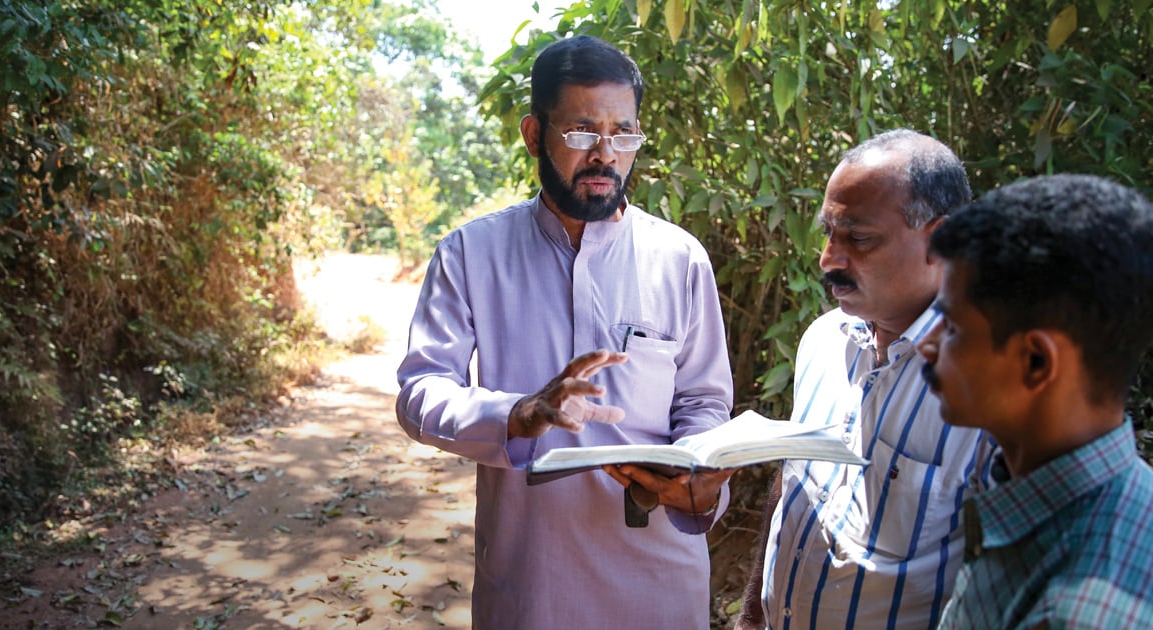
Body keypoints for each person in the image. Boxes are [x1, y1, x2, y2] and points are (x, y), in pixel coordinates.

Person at [395, 35, 734, 629]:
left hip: (660, 580)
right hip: (532, 584)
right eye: (582, 133)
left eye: (623, 134)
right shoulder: (472, 254)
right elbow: (421, 392)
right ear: (533, 135)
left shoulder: (679, 259)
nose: (606, 154)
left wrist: (701, 477)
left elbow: (704, 399)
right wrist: (515, 414)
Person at [736, 129, 998, 629]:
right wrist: (752, 614)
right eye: (829, 233)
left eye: (858, 238)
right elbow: (796, 482)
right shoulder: (822, 341)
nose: (828, 259)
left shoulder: (994, 389)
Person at [916, 174, 1153, 628]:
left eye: (953, 327)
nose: (928, 345)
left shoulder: (1078, 614)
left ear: (1036, 363)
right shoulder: (1064, 505)